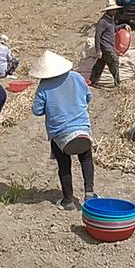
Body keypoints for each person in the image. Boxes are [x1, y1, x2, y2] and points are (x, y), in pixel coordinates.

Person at [31, 50, 97, 210]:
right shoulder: (76, 77)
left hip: (59, 133)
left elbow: (37, 110)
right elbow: (89, 97)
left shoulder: (44, 86)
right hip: (82, 128)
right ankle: (89, 192)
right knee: (86, 159)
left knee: (64, 164)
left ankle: (68, 200)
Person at [89, 0, 130, 88]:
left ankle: (93, 81)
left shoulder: (110, 20)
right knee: (114, 61)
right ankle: (117, 83)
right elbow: (97, 36)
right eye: (113, 10)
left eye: (115, 9)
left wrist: (123, 26)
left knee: (100, 64)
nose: (115, 11)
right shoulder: (103, 21)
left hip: (109, 46)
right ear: (109, 10)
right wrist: (98, 50)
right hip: (105, 46)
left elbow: (114, 29)